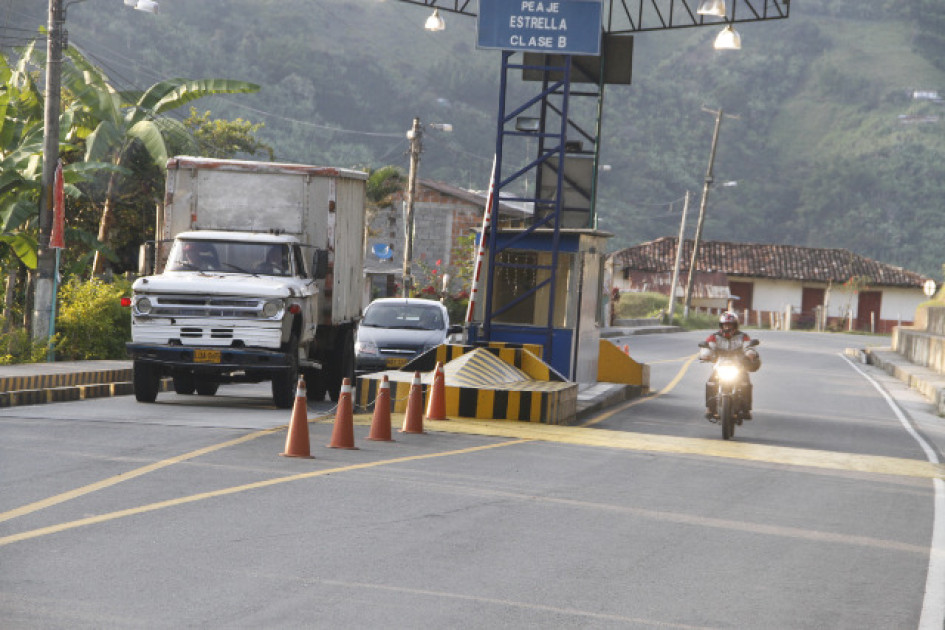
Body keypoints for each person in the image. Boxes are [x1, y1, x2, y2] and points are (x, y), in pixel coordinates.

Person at [700, 311, 761, 420]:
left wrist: (751, 353)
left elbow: (749, 347)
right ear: (721, 326)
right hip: (720, 365)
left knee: (746, 384)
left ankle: (747, 409)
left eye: (730, 325)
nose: (727, 327)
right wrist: (706, 355)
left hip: (738, 365)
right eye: (725, 325)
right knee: (710, 383)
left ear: (735, 325)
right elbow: (708, 347)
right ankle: (709, 408)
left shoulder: (743, 337)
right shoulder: (714, 337)